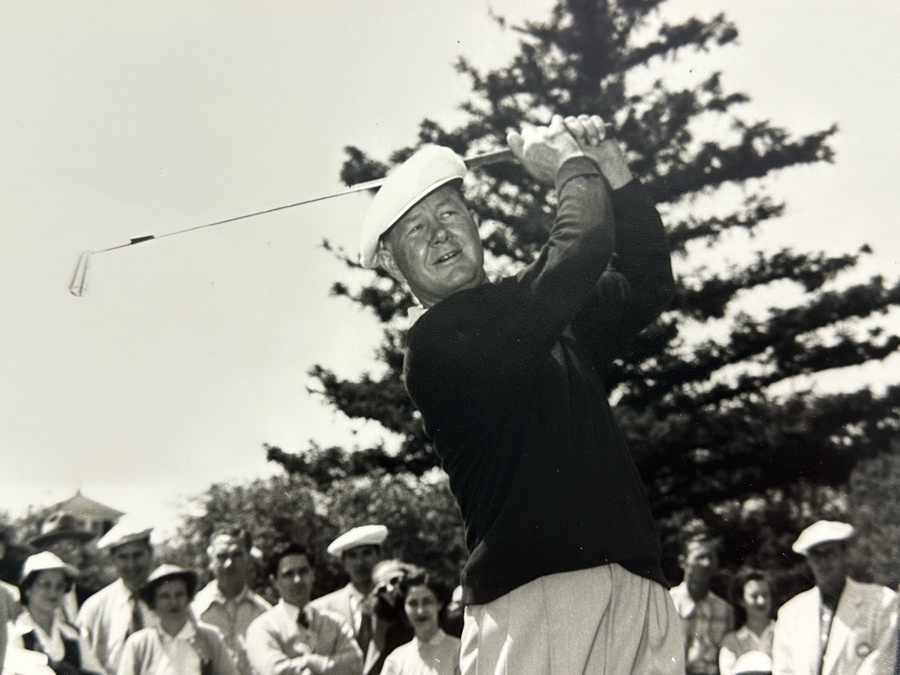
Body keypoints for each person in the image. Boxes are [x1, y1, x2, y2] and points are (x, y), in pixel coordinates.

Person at [358, 114, 682, 674]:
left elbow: (648, 279)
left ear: (474, 221)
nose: (439, 234)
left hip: (635, 581)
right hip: (538, 598)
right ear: (391, 265)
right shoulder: (436, 343)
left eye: (449, 213)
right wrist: (568, 165)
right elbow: (581, 246)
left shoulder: (536, 314)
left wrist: (614, 171)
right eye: (415, 230)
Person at [772, 520, 897, 675]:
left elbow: (881, 664)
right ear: (809, 561)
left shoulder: (881, 601)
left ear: (845, 555)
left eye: (830, 553)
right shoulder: (790, 613)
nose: (823, 562)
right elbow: (783, 670)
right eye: (816, 555)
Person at [245, 543, 363, 675]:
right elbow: (274, 671)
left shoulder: (335, 623)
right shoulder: (263, 628)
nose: (297, 580)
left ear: (313, 574)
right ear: (274, 582)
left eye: (303, 571)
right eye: (288, 574)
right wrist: (327, 666)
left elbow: (355, 664)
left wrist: (312, 662)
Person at [117, 564, 235, 675]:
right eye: (165, 596)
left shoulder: (210, 638)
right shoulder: (139, 644)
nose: (173, 602)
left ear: (188, 599)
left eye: (179, 595)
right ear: (153, 603)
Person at [77, 519, 156, 675]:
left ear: (150, 554)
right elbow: (83, 661)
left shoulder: (171, 600)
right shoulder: (95, 607)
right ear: (112, 560)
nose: (131, 565)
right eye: (123, 557)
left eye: (138, 555)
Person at [191, 527, 271, 675]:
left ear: (248, 560)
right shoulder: (193, 611)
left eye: (237, 555)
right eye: (221, 556)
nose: (229, 563)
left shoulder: (265, 613)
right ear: (211, 561)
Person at [5, 551, 96, 675]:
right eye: (45, 585)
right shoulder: (14, 632)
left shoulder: (74, 635)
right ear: (28, 589)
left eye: (60, 586)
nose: (53, 593)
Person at [670, 535, 734, 675]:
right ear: (683, 562)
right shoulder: (667, 603)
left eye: (710, 557)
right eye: (700, 557)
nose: (706, 563)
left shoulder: (725, 610)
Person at [381, 572, 460, 675]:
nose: (420, 611)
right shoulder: (396, 659)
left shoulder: (459, 651)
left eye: (427, 602)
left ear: (439, 603)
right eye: (413, 603)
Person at [30, 513, 97, 624]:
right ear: (43, 552)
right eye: (56, 547)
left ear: (80, 553)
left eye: (71, 546)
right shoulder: (27, 596)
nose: (64, 553)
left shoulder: (92, 599)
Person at [719, 570, 775, 675]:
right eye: (754, 596)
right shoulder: (731, 642)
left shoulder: (783, 634)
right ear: (741, 601)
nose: (761, 601)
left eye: (765, 595)